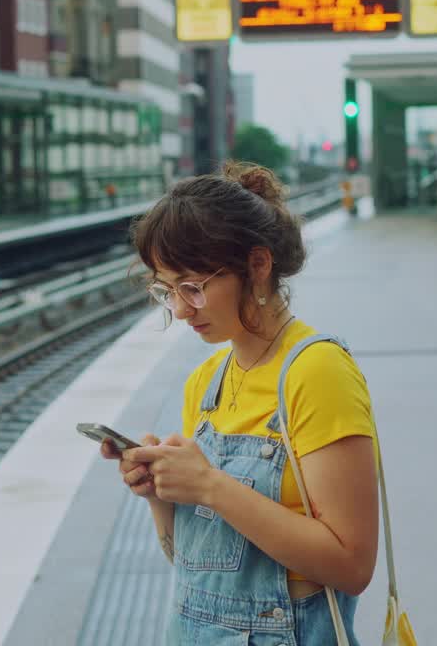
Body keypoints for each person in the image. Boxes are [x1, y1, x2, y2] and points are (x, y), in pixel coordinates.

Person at [101, 161, 380, 645]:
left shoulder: (317, 372)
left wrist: (210, 486)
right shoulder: (205, 382)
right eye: (167, 291)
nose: (182, 309)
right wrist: (159, 495)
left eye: (193, 287)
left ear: (257, 264)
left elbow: (352, 565)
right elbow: (198, 565)